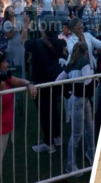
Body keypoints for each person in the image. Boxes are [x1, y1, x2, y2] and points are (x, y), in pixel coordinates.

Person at [0, 51, 37, 183]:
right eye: (4, 62)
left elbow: (19, 81)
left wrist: (29, 84)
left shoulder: (4, 76)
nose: (7, 64)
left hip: (3, 130)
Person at [25, 20, 66, 154]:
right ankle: (57, 136)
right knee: (53, 108)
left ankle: (49, 143)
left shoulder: (35, 44)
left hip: (40, 83)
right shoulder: (60, 43)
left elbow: (22, 41)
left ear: (43, 28)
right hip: (54, 80)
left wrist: (26, 26)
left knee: (44, 112)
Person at [56, 42, 95, 173]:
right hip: (81, 99)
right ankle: (70, 165)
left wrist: (70, 88)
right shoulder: (85, 61)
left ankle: (90, 153)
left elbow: (58, 80)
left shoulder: (70, 64)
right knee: (78, 133)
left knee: (88, 128)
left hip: (78, 99)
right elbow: (88, 80)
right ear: (86, 51)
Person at [1, 6, 30, 79]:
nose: (12, 12)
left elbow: (23, 30)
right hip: (12, 45)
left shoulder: (18, 20)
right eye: (10, 11)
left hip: (20, 44)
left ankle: (22, 78)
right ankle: (12, 78)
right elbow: (8, 36)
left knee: (21, 61)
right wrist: (15, 28)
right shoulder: (6, 23)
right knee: (12, 62)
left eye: (13, 10)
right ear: (7, 13)